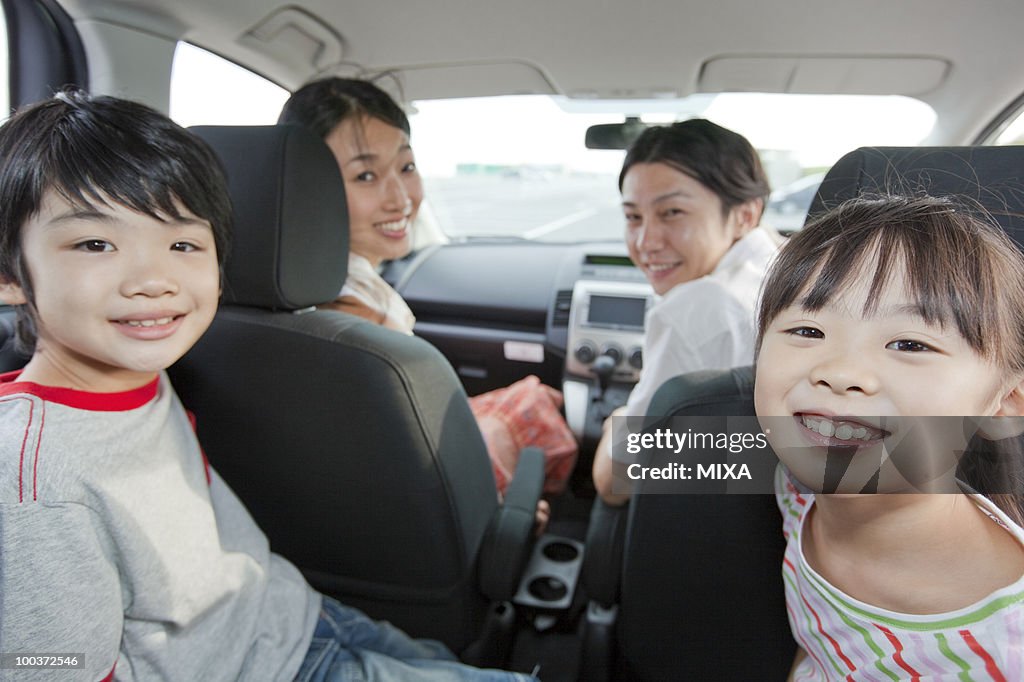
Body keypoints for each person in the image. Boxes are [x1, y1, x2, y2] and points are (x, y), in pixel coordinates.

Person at [0, 89, 538, 682]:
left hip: (290, 610)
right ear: (8, 273)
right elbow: (45, 666)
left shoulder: (144, 374)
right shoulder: (32, 480)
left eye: (182, 244)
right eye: (95, 244)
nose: (153, 280)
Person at [755, 194, 1024, 680]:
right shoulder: (794, 489)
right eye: (808, 330)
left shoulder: (1004, 652)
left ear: (1005, 403)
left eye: (910, 343)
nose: (840, 372)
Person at [279, 78, 574, 506]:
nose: (400, 198)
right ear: (310, 189)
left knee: (527, 395)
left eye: (406, 166)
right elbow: (405, 469)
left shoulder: (303, 287)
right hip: (434, 500)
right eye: (365, 175)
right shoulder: (351, 320)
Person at [592, 119, 778, 505]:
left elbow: (614, 482)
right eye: (633, 217)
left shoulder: (699, 306)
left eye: (672, 212)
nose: (646, 243)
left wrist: (617, 422)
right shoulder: (783, 265)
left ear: (745, 214)